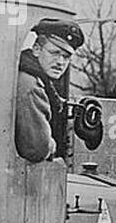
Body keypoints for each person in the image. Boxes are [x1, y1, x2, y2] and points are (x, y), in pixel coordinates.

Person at [15, 18, 84, 162]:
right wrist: (52, 145)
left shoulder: (31, 76)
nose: (60, 62)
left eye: (66, 57)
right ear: (36, 49)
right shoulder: (32, 85)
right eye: (54, 53)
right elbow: (37, 149)